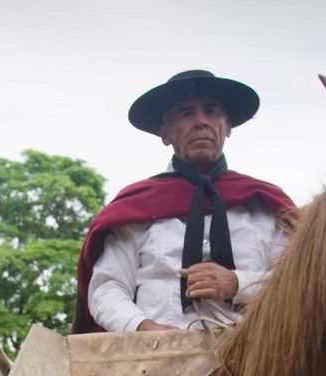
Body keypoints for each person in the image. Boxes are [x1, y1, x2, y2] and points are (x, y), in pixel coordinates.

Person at [73, 70, 299, 334]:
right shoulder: (135, 208)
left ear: (227, 126)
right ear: (165, 133)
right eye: (186, 113)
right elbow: (106, 288)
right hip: (154, 361)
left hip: (255, 361)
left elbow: (297, 282)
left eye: (211, 111)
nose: (201, 121)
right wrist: (143, 327)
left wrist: (238, 283)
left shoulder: (266, 205)